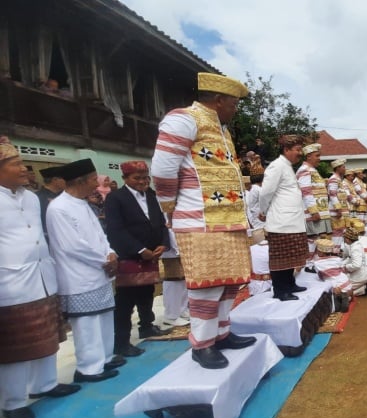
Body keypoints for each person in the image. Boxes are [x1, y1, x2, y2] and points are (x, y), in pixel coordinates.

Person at [150, 72, 256, 370]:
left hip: (229, 220)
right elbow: (162, 168)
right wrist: (169, 207)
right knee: (206, 285)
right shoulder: (184, 119)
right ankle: (203, 344)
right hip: (200, 220)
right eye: (234, 104)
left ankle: (221, 333)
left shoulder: (223, 131)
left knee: (230, 282)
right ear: (219, 100)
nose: (236, 110)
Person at [0, 139, 79, 418]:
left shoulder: (31, 198)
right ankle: (13, 402)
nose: (25, 169)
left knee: (47, 335)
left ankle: (45, 384)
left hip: (42, 277)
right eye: (17, 164)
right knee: (16, 348)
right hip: (9, 283)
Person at [47, 159, 123, 383]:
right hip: (78, 276)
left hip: (100, 271)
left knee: (104, 318)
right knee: (87, 325)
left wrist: (111, 253)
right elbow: (72, 246)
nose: (97, 184)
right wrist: (104, 260)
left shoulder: (83, 203)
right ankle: (88, 368)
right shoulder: (59, 208)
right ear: (80, 181)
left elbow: (100, 235)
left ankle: (104, 358)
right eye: (93, 179)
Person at [104, 161, 172, 358]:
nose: (142, 182)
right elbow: (116, 230)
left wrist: (163, 243)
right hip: (130, 256)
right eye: (137, 178)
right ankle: (122, 342)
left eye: (145, 178)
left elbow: (160, 222)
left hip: (151, 254)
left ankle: (147, 326)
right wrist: (140, 249)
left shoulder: (151, 195)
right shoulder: (115, 198)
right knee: (126, 300)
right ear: (125, 179)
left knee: (147, 292)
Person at [259, 134, 309, 302]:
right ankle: (280, 290)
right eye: (297, 150)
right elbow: (266, 192)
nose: (300, 153)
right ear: (286, 150)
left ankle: (290, 284)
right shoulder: (277, 166)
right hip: (281, 221)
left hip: (292, 221)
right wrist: (263, 211)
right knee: (281, 257)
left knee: (291, 256)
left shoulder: (287, 166)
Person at [296, 143, 331, 251]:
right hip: (313, 212)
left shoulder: (312, 170)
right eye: (317, 156)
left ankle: (314, 264)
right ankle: (309, 265)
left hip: (320, 212)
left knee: (319, 240)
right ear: (308, 156)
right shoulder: (305, 170)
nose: (319, 159)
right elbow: (306, 192)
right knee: (313, 240)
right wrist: (314, 211)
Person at [312, 238, 353, 312]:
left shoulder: (317, 263)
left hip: (333, 285)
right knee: (348, 291)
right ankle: (346, 296)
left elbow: (321, 276)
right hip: (344, 281)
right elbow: (342, 269)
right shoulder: (337, 259)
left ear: (321, 252)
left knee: (324, 287)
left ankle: (336, 300)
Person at [343, 219, 367, 297]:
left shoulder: (355, 248)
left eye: (345, 237)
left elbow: (356, 265)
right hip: (361, 273)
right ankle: (364, 288)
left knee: (343, 289)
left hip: (361, 275)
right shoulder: (354, 245)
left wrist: (345, 267)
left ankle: (364, 288)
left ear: (348, 239)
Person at [36, 165, 65, 237]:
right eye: (65, 178)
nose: (67, 181)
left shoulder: (65, 196)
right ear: (55, 180)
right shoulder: (37, 197)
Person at [327, 158, 350, 247]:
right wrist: (338, 208)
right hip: (336, 211)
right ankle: (336, 252)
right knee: (337, 232)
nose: (345, 169)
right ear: (337, 168)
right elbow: (332, 195)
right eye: (343, 167)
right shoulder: (333, 179)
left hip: (341, 211)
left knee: (341, 232)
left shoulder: (338, 179)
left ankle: (340, 250)